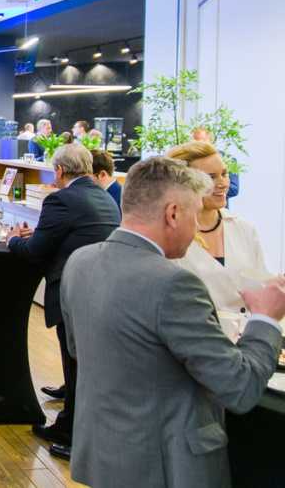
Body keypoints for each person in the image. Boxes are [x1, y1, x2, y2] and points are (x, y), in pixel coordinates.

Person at [61, 157, 285, 488]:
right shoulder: (174, 284)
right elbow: (239, 388)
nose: (197, 228)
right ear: (173, 213)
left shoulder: (80, 261)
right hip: (166, 467)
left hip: (104, 454)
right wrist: (266, 318)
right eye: (195, 216)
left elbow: (80, 350)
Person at [5, 143, 121, 460]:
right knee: (85, 367)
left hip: (74, 292)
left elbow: (34, 252)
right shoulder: (106, 197)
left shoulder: (60, 198)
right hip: (105, 291)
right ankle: (70, 427)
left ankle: (74, 437)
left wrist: (12, 239)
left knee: (75, 366)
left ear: (58, 171)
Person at [167, 142, 269, 314]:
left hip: (246, 336)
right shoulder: (168, 234)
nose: (223, 183)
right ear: (182, 183)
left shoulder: (243, 229)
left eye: (224, 174)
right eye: (211, 177)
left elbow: (261, 287)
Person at [192, 126, 240, 205]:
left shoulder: (227, 159)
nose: (199, 147)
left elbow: (234, 189)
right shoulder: (188, 160)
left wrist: (207, 190)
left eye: (202, 143)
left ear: (211, 140)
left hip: (219, 210)